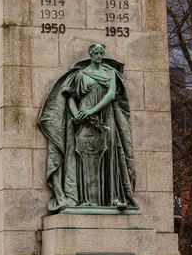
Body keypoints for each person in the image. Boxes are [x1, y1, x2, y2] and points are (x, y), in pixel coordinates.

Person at [38, 43, 138, 212]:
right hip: (84, 121)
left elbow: (111, 94)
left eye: (101, 52)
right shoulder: (80, 75)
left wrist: (92, 110)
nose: (99, 55)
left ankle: (113, 197)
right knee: (83, 157)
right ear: (91, 54)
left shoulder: (111, 73)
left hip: (105, 118)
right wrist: (76, 113)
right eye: (96, 53)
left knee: (110, 155)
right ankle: (83, 199)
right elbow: (70, 96)